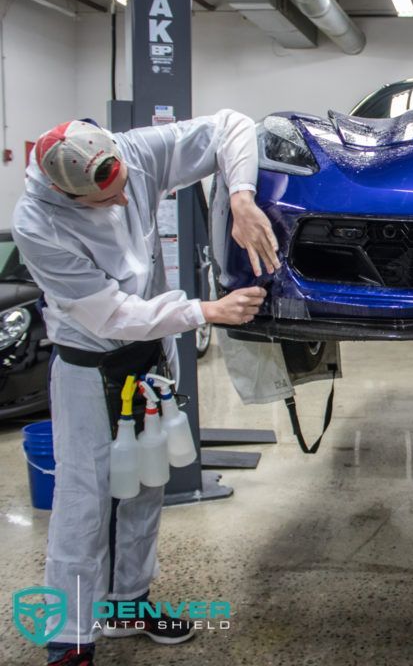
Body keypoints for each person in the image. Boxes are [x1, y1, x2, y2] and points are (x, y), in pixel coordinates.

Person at [12, 112, 282, 666]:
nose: (118, 204)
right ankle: (69, 638)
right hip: (90, 368)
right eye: (100, 201)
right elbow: (109, 313)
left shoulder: (134, 154)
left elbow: (230, 125)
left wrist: (240, 197)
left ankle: (126, 606)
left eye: (121, 193)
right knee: (83, 504)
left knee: (144, 487)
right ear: (64, 191)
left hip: (147, 360)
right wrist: (204, 310)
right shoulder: (37, 224)